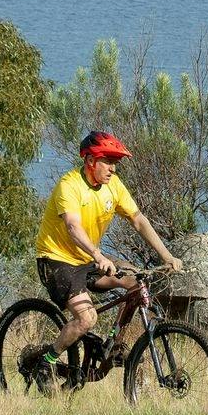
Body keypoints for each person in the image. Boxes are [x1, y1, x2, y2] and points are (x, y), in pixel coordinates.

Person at [24, 130, 183, 392]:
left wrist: (167, 256)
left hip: (87, 259)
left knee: (135, 281)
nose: (112, 168)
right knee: (87, 319)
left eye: (115, 163)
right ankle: (46, 362)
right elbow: (73, 228)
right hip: (56, 260)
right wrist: (99, 255)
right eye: (107, 161)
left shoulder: (114, 186)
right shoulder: (70, 185)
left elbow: (138, 220)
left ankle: (113, 345)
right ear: (90, 161)